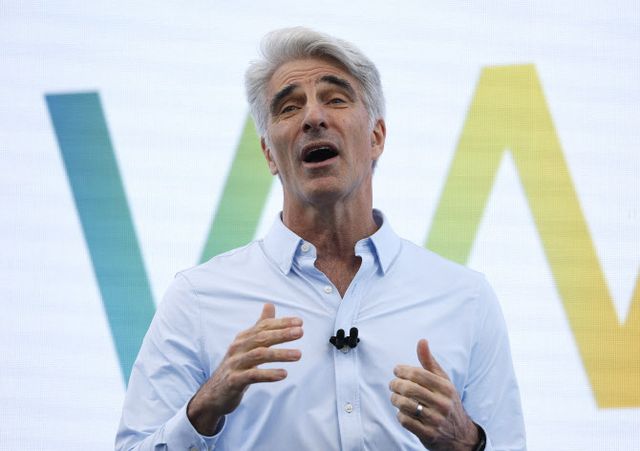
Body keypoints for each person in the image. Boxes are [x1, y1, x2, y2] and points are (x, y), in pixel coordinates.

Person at [116, 27, 526, 451]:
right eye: (289, 107)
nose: (313, 118)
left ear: (376, 137)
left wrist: (466, 442)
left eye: (335, 99)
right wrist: (203, 407)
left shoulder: (465, 297)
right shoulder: (198, 298)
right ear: (269, 154)